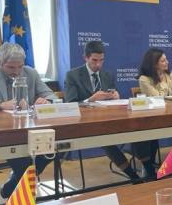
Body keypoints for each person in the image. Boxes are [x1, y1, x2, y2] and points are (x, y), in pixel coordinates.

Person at [0, 43, 56, 198]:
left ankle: (12, 184)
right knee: (25, 158)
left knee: (54, 149)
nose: (16, 72)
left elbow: (51, 95)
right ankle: (18, 187)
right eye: (11, 68)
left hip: (29, 127)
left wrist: (46, 101)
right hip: (2, 132)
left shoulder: (31, 73)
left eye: (19, 67)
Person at [64, 41, 158, 181]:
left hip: (109, 118)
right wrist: (90, 99)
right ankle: (133, 176)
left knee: (137, 128)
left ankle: (149, 170)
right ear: (86, 58)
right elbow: (70, 104)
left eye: (101, 60)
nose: (98, 65)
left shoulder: (107, 75)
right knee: (105, 138)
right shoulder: (73, 75)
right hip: (87, 122)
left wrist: (116, 97)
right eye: (94, 60)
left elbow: (113, 98)